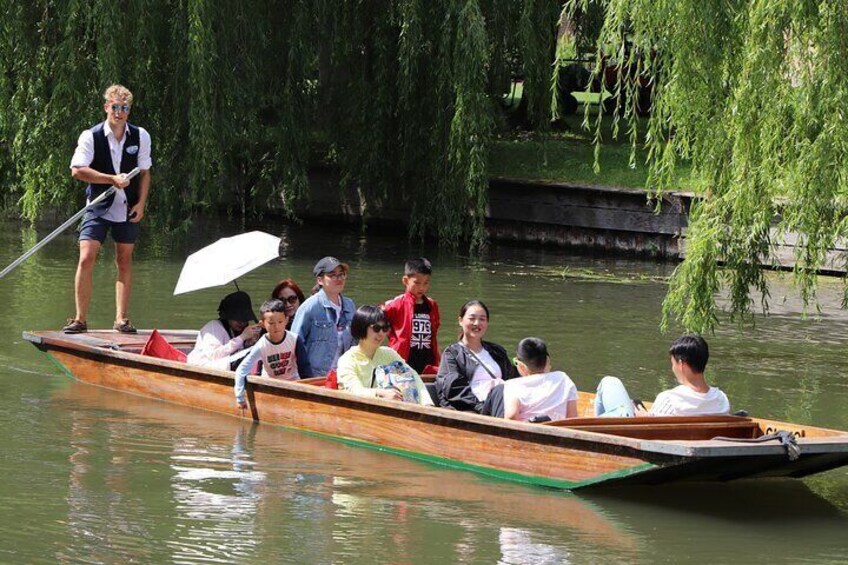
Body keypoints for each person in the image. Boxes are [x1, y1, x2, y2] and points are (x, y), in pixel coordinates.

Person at [63, 84, 152, 334]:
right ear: (107, 107)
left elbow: (145, 173)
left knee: (124, 260)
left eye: (124, 108)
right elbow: (77, 170)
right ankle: (80, 319)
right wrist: (111, 179)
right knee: (86, 257)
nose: (119, 112)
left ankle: (121, 319)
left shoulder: (140, 136)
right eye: (115, 107)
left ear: (129, 110)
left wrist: (142, 203)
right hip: (98, 205)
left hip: (128, 207)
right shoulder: (90, 136)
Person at [594, 334, 731, 417]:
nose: (672, 368)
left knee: (609, 382)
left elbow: (651, 428)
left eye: (673, 363)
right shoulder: (721, 400)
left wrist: (641, 415)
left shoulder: (670, 399)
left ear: (681, 364)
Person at [336, 305, 433, 405]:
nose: (381, 333)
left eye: (385, 328)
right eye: (376, 328)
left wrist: (427, 404)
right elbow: (353, 391)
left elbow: (413, 376)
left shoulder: (389, 354)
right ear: (361, 327)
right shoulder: (347, 360)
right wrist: (380, 393)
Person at [435, 300, 518, 412]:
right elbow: (453, 387)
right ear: (461, 321)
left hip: (501, 405)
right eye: (472, 318)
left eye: (482, 319)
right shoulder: (452, 353)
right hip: (473, 410)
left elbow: (512, 379)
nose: (477, 323)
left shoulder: (497, 351)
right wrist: (481, 408)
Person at [481, 337, 578, 422]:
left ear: (521, 366)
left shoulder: (513, 385)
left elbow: (511, 417)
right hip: (557, 434)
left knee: (497, 390)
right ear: (547, 360)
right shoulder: (563, 378)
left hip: (526, 437)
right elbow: (572, 417)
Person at [234, 299, 307, 408]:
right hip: (270, 387)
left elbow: (305, 367)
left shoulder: (295, 339)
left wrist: (307, 391)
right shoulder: (261, 345)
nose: (276, 327)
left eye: (280, 322)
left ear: (286, 320)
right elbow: (242, 369)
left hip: (293, 384)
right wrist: (240, 397)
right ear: (262, 324)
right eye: (271, 323)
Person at [291, 257, 356, 377]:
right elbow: (295, 343)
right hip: (315, 376)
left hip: (344, 375)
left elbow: (356, 341)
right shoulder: (310, 307)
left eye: (342, 274)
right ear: (320, 280)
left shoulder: (349, 305)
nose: (339, 279)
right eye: (332, 275)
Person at [381, 257, 441, 374]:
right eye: (417, 283)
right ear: (405, 280)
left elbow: (434, 334)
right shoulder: (395, 304)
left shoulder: (432, 305)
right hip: (402, 362)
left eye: (426, 283)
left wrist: (438, 360)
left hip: (426, 362)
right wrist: (393, 339)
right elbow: (376, 322)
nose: (422, 287)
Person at [187, 291, 263, 371]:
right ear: (228, 316)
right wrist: (241, 338)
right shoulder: (214, 327)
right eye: (237, 319)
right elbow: (213, 356)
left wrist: (248, 343)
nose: (241, 323)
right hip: (203, 366)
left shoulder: (236, 329)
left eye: (244, 320)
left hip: (225, 365)